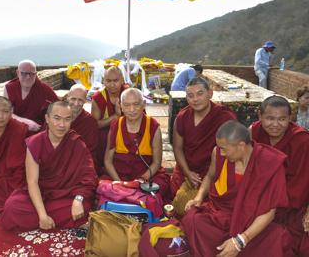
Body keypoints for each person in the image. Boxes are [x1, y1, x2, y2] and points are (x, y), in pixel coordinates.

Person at [182, 120, 292, 257]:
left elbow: (269, 211)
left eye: (224, 148)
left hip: (252, 222)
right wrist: (198, 198)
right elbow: (210, 176)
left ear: (241, 146)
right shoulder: (217, 153)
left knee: (276, 237)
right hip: (222, 215)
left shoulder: (270, 163)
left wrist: (241, 240)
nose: (221, 153)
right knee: (192, 220)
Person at [1, 101, 98, 231]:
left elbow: (89, 177)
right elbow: (32, 182)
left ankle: (51, 218)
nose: (62, 125)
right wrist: (42, 216)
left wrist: (78, 199)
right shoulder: (35, 143)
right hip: (41, 193)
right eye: (57, 118)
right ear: (47, 118)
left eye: (67, 119)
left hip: (66, 193)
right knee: (12, 208)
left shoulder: (77, 143)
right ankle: (52, 220)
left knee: (83, 205)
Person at [251, 95, 309, 256]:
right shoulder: (254, 132)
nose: (275, 124)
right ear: (260, 115)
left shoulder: (302, 139)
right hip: (260, 202)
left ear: (290, 118)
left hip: (293, 207)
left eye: (282, 119)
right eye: (270, 118)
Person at [170, 77, 236, 206]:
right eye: (190, 95)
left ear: (210, 94)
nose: (195, 99)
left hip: (212, 172)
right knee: (174, 194)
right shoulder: (182, 117)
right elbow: (177, 148)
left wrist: (210, 175)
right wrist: (188, 172)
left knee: (186, 204)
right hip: (186, 169)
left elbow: (231, 151)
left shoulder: (224, 117)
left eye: (200, 93)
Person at [104, 88, 170, 201]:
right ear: (121, 106)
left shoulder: (153, 126)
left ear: (144, 104)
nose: (132, 109)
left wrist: (141, 180)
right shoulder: (116, 125)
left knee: (155, 193)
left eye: (136, 104)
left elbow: (157, 162)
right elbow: (107, 161)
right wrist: (119, 183)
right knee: (104, 189)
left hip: (146, 177)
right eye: (127, 105)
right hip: (119, 175)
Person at [4, 59, 58, 134]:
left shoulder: (45, 90)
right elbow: (5, 112)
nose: (28, 77)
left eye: (32, 74)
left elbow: (58, 112)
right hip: (15, 130)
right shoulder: (9, 88)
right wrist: (24, 122)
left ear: (36, 74)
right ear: (17, 73)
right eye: (24, 73)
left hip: (38, 133)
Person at [91, 66, 127, 169]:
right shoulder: (98, 97)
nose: (112, 85)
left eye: (115, 81)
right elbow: (95, 125)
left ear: (122, 80)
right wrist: (115, 116)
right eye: (108, 81)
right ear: (103, 81)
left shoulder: (129, 94)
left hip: (126, 135)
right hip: (105, 139)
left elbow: (140, 119)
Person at [67, 84, 100, 174]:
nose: (76, 103)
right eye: (73, 99)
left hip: (80, 163)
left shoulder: (90, 122)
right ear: (67, 97)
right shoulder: (58, 115)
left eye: (80, 100)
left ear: (85, 100)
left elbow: (90, 152)